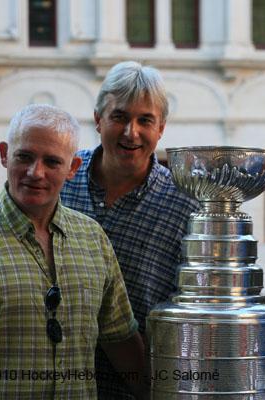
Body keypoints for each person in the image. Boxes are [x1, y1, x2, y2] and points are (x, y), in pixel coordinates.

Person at [0, 104, 146, 399]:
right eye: (24, 156)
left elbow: (121, 338)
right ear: (4, 154)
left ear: (72, 168)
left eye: (52, 162)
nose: (35, 172)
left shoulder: (93, 239)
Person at [60, 61, 199, 399]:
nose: (130, 132)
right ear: (98, 119)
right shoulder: (61, 179)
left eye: (145, 120)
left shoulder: (186, 204)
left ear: (161, 128)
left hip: (137, 388)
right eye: (119, 117)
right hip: (54, 380)